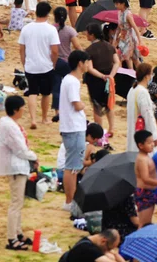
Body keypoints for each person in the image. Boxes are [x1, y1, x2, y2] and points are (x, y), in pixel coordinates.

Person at [0, 94, 38, 251]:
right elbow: (20, 150)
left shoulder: (9, 124)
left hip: (17, 166)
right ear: (15, 110)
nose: (24, 110)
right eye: (22, 108)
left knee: (18, 203)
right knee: (16, 203)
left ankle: (18, 233)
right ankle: (12, 238)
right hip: (16, 167)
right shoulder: (10, 127)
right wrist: (34, 156)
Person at [19, 1, 60, 129]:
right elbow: (54, 51)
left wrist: (24, 62)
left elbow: (21, 49)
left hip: (31, 65)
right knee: (46, 93)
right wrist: (53, 63)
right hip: (46, 66)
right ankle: (44, 117)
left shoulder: (27, 28)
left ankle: (33, 119)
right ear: (48, 14)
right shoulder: (51, 29)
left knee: (32, 92)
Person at [59, 50, 90, 213]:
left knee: (72, 166)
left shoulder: (69, 80)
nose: (87, 65)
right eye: (86, 62)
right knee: (72, 168)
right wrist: (84, 105)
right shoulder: (72, 81)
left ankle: (70, 200)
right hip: (73, 127)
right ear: (80, 63)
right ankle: (69, 201)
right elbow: (76, 104)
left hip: (71, 127)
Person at [126, 63, 157, 153]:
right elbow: (148, 116)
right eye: (151, 74)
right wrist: (154, 135)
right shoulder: (142, 92)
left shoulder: (132, 89)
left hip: (133, 128)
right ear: (147, 76)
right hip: (143, 132)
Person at [58, 230, 125, 262]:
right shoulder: (89, 249)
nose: (109, 251)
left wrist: (115, 254)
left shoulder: (88, 240)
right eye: (109, 249)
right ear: (103, 241)